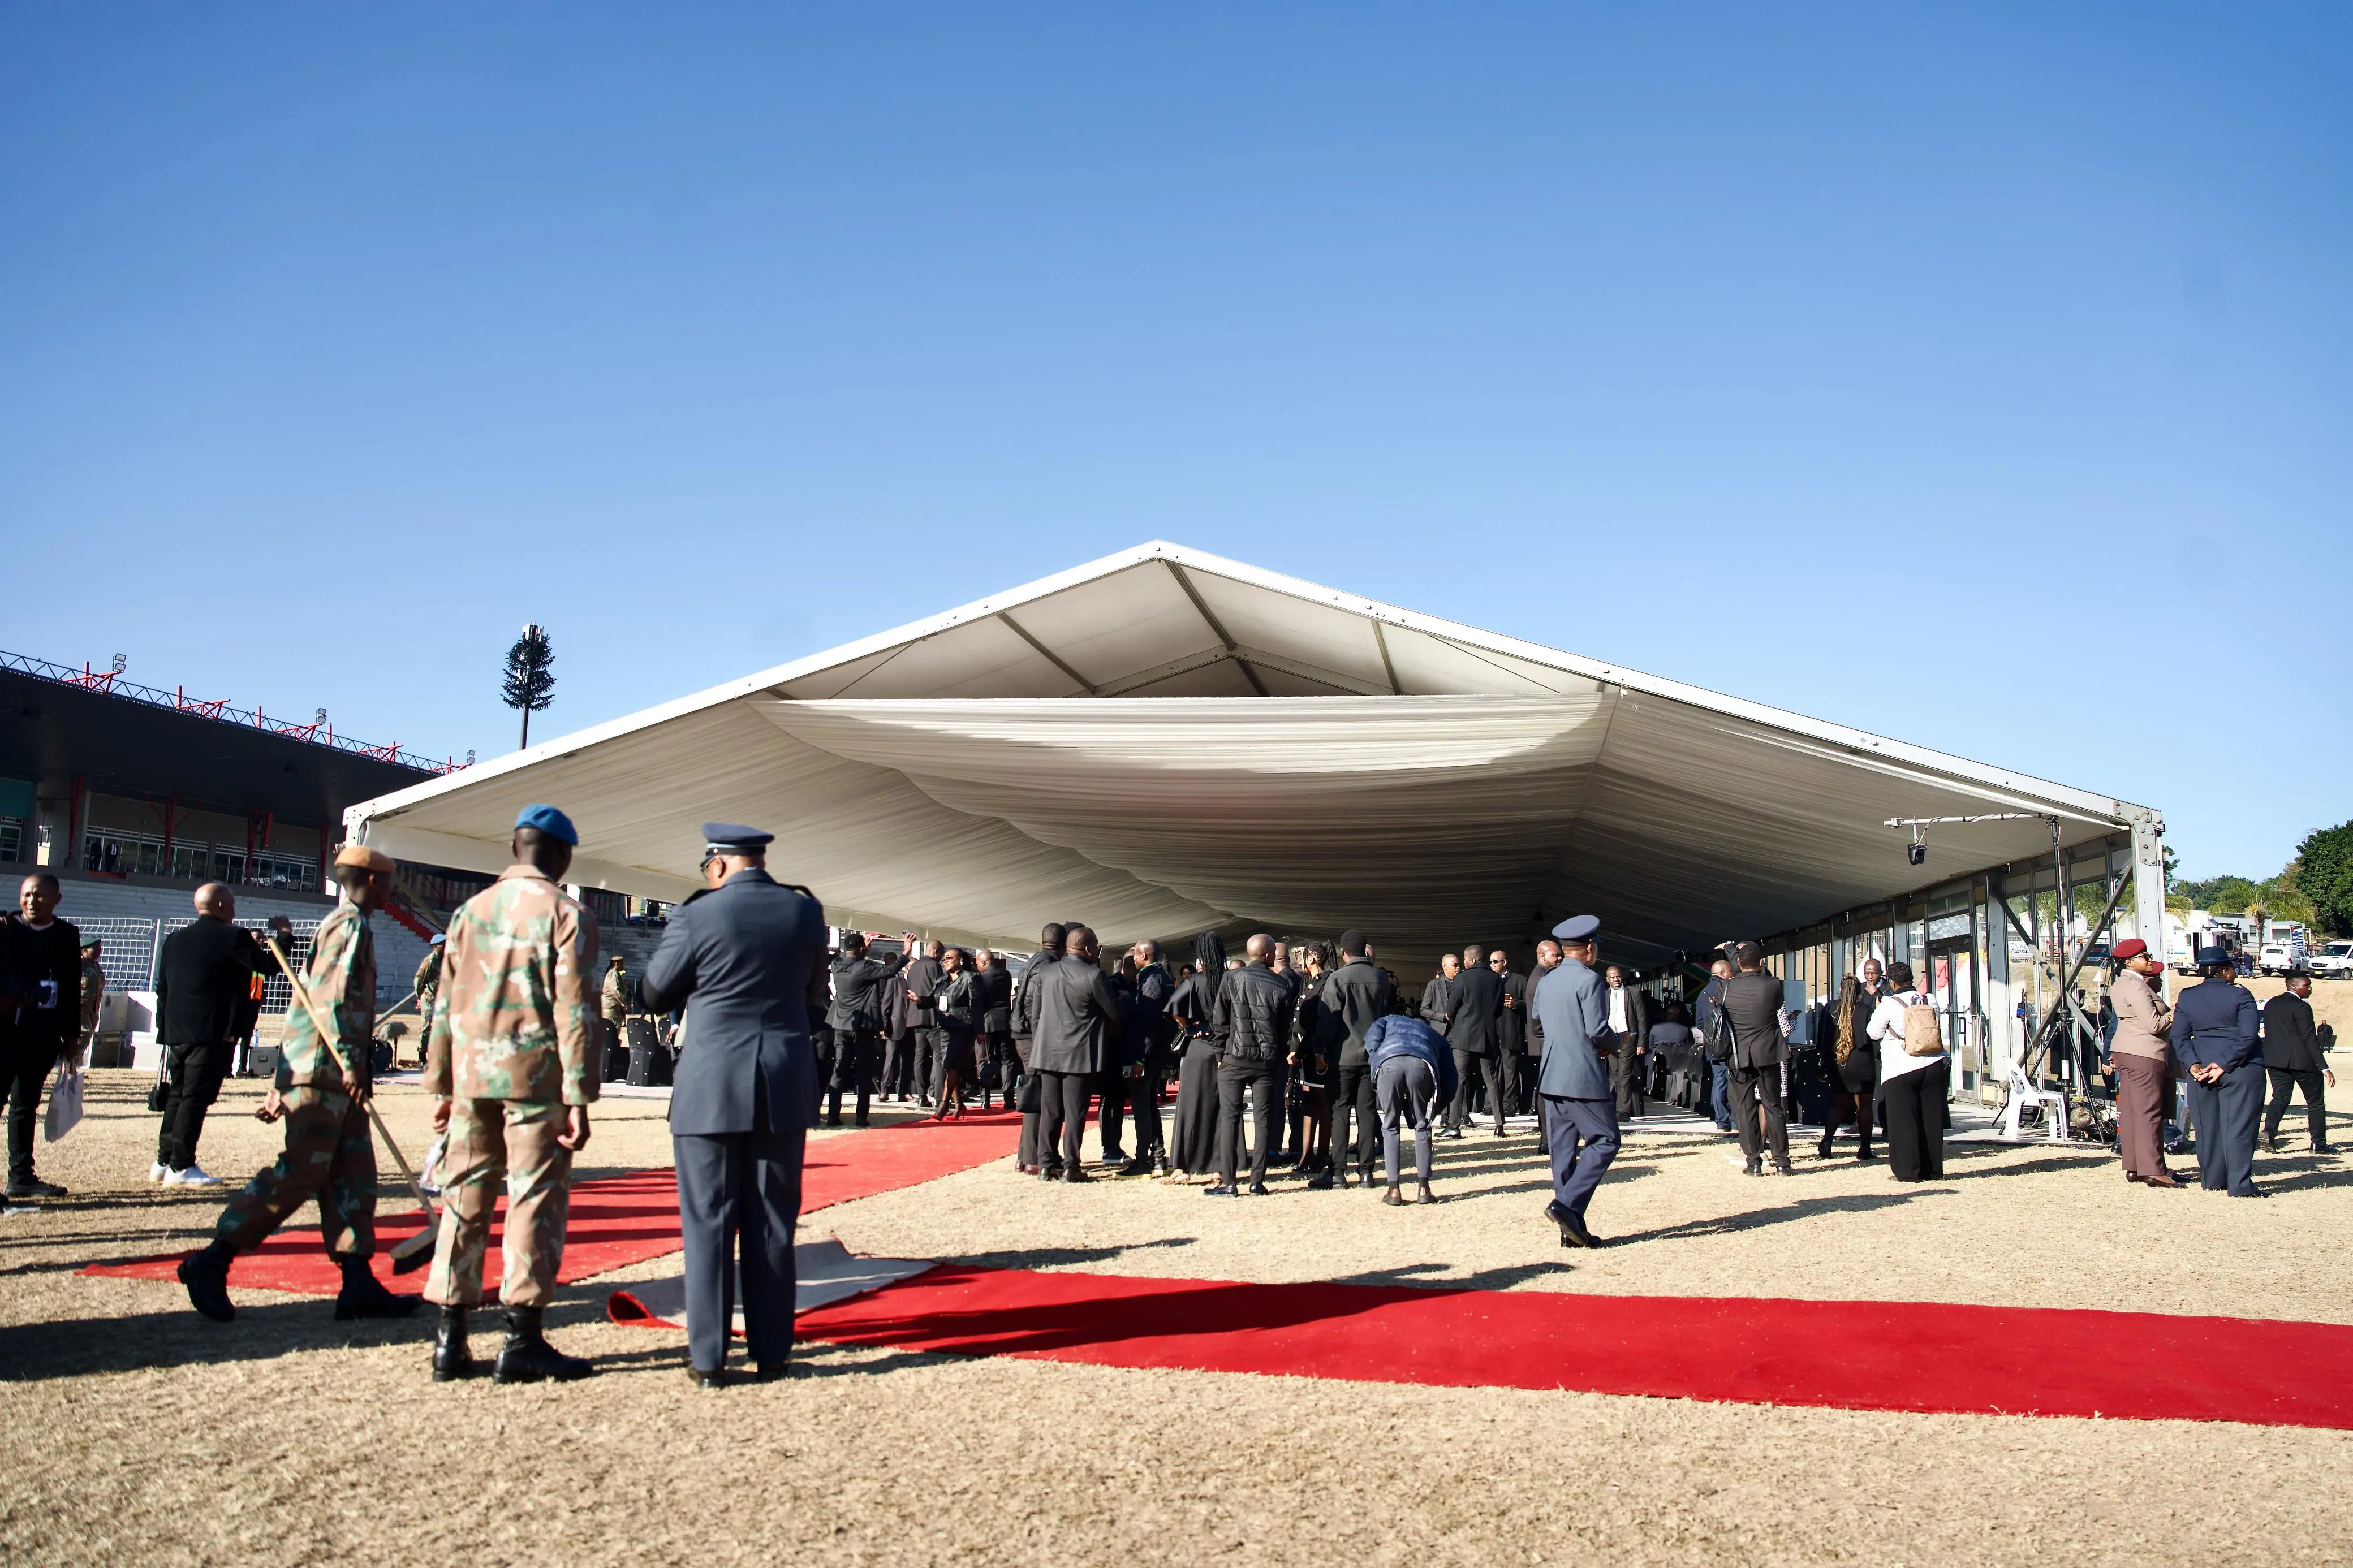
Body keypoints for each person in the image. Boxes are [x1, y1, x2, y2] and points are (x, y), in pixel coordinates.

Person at [175, 847, 417, 1325]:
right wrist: (347, 1063)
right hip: (327, 1069)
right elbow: (330, 1001)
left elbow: (307, 1005)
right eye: (389, 881)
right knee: (303, 1170)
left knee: (352, 1173)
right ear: (372, 880)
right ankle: (213, 1259)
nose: (392, 890)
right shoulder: (349, 926)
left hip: (332, 1068)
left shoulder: (350, 925)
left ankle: (357, 1280)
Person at [642, 822, 830, 1387]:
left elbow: (654, 991)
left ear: (719, 864)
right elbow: (814, 997)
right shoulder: (804, 911)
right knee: (773, 1221)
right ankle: (773, 1353)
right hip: (782, 1077)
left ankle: (708, 1359)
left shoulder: (698, 913)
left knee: (709, 1221)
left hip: (710, 1081)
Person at [420, 805, 602, 1385]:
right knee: (533, 1200)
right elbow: (575, 1010)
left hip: (471, 1077)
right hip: (535, 1080)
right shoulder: (567, 914)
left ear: (514, 847)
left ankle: (450, 1339)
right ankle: (521, 1338)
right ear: (563, 856)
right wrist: (579, 1094)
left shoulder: (469, 912)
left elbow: (445, 1002)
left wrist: (441, 1083)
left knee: (463, 1198)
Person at [152, 883, 270, 1186]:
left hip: (178, 1030)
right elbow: (266, 967)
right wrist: (283, 937)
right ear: (220, 906)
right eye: (232, 905)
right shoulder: (234, 937)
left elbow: (163, 989)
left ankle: (164, 1160)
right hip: (212, 1030)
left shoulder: (174, 940)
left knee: (178, 1093)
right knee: (196, 1097)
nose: (234, 911)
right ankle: (182, 1166)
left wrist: (163, 1028)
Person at [1529, 917, 1618, 1247]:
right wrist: (1615, 1044)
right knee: (1606, 1140)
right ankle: (1566, 1206)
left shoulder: (1547, 980)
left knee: (1563, 1152)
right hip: (1582, 1074)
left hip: (1552, 1074)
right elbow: (1596, 1029)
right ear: (1590, 948)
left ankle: (1570, 1230)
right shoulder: (1590, 980)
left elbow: (1537, 1025)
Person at [2, 872, 83, 1200]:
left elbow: (72, 987)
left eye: (39, 895)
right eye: (27, 895)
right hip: (4, 1031)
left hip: (42, 1034)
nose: (32, 901)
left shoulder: (66, 935)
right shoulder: (5, 928)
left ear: (56, 900)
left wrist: (72, 1036)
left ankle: (21, 1176)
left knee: (25, 1105)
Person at [1026, 925, 1124, 1182]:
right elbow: (1115, 1013)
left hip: (1047, 1052)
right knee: (1075, 1113)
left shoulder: (1046, 972)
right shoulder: (1095, 976)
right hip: (1080, 1055)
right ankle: (1071, 1166)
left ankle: (1046, 1164)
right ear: (1089, 948)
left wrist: (1039, 1044)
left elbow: (1036, 1014)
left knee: (1050, 1111)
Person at [2172, 944, 2265, 1197]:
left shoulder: (2187, 996)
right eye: (2232, 968)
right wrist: (2223, 1064)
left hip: (2201, 1068)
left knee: (2207, 1127)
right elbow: (2248, 1036)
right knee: (2240, 1127)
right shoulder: (2241, 995)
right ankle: (2239, 1185)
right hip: (2240, 1068)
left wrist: (2192, 1064)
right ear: (2224, 971)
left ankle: (2212, 1180)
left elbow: (2179, 1037)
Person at [1208, 934, 1296, 1196]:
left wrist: (1220, 1054)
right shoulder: (1281, 985)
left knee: (1230, 1119)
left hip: (1234, 1057)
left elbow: (1220, 1020)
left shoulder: (1231, 978)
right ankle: (1257, 1182)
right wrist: (1278, 1056)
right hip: (1266, 1062)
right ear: (1269, 956)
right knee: (1263, 1120)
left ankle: (1229, 1182)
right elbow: (1284, 1029)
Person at [1314, 930, 1395, 1189]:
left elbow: (1328, 1020)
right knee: (1367, 1112)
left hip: (1342, 1056)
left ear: (1343, 953)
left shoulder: (1338, 978)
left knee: (1340, 1112)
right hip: (1372, 1055)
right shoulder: (1381, 978)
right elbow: (1388, 1016)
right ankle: (1366, 1172)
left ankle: (1338, 1172)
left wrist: (1320, 1050)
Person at [2106, 938, 2180, 1186]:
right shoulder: (2137, 985)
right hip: (2144, 1052)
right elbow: (2154, 1025)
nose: (2149, 960)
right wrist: (2174, 1013)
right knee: (2148, 1111)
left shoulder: (2120, 984)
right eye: (2145, 957)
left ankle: (2135, 1166)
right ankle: (2153, 1169)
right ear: (2129, 962)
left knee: (2131, 1112)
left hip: (2125, 1050)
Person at [1363, 1010, 1457, 1204]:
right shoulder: (1435, 1035)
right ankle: (1424, 1189)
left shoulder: (1388, 1019)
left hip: (1389, 1062)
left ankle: (1394, 1190)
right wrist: (1435, 1110)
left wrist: (1376, 1060)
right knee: (1423, 1125)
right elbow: (1451, 1081)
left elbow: (1371, 1037)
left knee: (1390, 1126)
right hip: (1422, 1064)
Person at [1865, 961, 1947, 1183]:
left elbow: (1873, 1033)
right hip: (1933, 1064)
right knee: (1931, 1121)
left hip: (1900, 1067)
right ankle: (1933, 1171)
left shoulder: (1889, 1004)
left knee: (1903, 1122)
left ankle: (1908, 1172)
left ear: (1892, 982)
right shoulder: (1929, 999)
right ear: (1911, 979)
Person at [1716, 943, 1790, 1176]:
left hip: (1739, 1055)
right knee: (1773, 1107)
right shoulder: (1774, 985)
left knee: (1745, 1109)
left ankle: (1754, 1162)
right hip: (1768, 1053)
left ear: (1738, 964)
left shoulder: (1725, 988)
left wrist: (1731, 951)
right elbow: (1776, 1007)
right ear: (1762, 963)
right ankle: (1782, 1162)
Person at [825, 931, 910, 1127]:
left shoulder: (837, 965)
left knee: (839, 1068)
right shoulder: (866, 967)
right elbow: (890, 970)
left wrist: (864, 950)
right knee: (864, 1071)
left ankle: (832, 1116)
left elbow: (851, 959)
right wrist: (906, 952)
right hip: (863, 1026)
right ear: (862, 949)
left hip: (841, 1024)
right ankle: (861, 1116)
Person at [1165, 932, 1226, 1181]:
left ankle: (1184, 1168)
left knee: (1190, 1107)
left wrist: (1188, 1027)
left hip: (1198, 1048)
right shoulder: (1229, 980)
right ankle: (1219, 1168)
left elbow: (1172, 1007)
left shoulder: (1194, 981)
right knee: (1222, 1108)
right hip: (1224, 1049)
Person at [1012, 925, 1065, 1174]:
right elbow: (1035, 1006)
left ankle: (1025, 1156)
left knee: (1036, 1092)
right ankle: (1034, 1158)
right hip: (1033, 1036)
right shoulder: (1048, 966)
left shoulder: (1034, 961)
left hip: (1024, 1033)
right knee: (1039, 1095)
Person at [2262, 970, 2333, 1154]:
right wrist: (2324, 1067)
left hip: (2275, 1060)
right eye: (2307, 985)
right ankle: (2318, 1143)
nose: (2310, 989)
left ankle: (2269, 1131)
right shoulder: (2302, 1007)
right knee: (2315, 1102)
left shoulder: (2271, 1004)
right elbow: (2309, 1038)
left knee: (2280, 1098)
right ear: (2294, 986)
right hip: (2302, 1062)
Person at [1121, 940, 1175, 1174]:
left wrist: (1139, 1059)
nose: (1132, 959)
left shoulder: (1151, 979)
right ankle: (1158, 1157)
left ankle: (1143, 1160)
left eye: (1135, 954)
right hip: (1156, 1053)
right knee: (1150, 1106)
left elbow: (1149, 1022)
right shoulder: (1161, 976)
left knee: (1142, 1108)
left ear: (1144, 955)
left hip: (1147, 1054)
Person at [1816, 971, 1879, 1161]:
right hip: (1862, 1062)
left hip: (1838, 1062)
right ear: (1859, 992)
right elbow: (1874, 1040)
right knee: (1864, 1106)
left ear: (1840, 990)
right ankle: (1865, 1148)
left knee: (1839, 1103)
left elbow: (1822, 1037)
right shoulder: (1865, 1010)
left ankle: (1827, 1140)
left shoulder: (1831, 1008)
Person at [1445, 941, 1505, 1138]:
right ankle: (1499, 1125)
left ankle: (1453, 1126)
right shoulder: (1496, 979)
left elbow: (1451, 1009)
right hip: (1487, 1034)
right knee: (1492, 1080)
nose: (1463, 962)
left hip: (1464, 1035)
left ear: (1472, 960)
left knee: (1459, 1079)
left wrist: (1458, 1024)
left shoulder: (1462, 978)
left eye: (1464, 959)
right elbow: (1499, 1009)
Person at [932, 946, 980, 1120]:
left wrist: (980, 1031)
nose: (945, 961)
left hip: (963, 1027)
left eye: (949, 958)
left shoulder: (971, 978)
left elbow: (977, 1006)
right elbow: (931, 999)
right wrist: (918, 1000)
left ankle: (944, 1104)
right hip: (945, 1027)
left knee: (952, 1065)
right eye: (944, 958)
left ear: (960, 960)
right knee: (949, 1067)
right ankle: (959, 1105)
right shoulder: (942, 980)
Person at [1603, 965, 1654, 1120]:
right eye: (1612, 977)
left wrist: (1642, 1042)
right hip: (1610, 1038)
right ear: (1608, 980)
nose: (1616, 980)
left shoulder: (1633, 993)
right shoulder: (1604, 995)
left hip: (1627, 1037)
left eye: (1618, 976)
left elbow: (1642, 1019)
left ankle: (1623, 1111)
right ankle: (1619, 1106)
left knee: (1624, 1074)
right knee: (1616, 1074)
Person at [1693, 954, 1737, 1133]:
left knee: (1719, 1081)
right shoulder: (1726, 990)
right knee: (1733, 1082)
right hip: (1730, 1045)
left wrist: (1711, 1036)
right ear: (1723, 973)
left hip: (1712, 1046)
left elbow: (1699, 1022)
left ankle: (1722, 1121)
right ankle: (1734, 1120)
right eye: (1731, 971)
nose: (1733, 974)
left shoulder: (1702, 994)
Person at [1525, 940, 1561, 1154]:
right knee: (1546, 1094)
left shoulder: (1543, 976)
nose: (1560, 958)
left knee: (1545, 1092)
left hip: (1543, 1041)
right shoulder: (1541, 979)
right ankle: (1547, 1140)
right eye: (1556, 955)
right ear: (1543, 955)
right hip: (1545, 1041)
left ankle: (1548, 1139)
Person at [975, 945, 1016, 1113]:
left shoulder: (982, 979)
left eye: (978, 964)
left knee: (984, 1060)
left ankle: (985, 1099)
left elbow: (978, 1002)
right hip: (1006, 1021)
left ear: (984, 962)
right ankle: (1009, 1099)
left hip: (987, 1023)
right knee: (1008, 1061)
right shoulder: (1006, 975)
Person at [1492, 951, 1526, 1122]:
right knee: (1493, 1070)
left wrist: (1515, 1004)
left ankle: (1510, 1105)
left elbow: (1531, 1006)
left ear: (1505, 962)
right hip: (1493, 1032)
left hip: (1510, 1031)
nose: (1492, 965)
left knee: (1510, 1070)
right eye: (1491, 962)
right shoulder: (1489, 980)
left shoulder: (1520, 980)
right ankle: (1493, 1103)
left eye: (1495, 961)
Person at [600, 954, 630, 1072]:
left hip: (612, 1007)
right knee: (612, 1033)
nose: (623, 965)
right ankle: (610, 1063)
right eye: (622, 963)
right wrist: (625, 1002)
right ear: (617, 963)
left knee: (611, 1034)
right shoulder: (614, 974)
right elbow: (616, 991)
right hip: (611, 1008)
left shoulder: (613, 974)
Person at [76, 937, 104, 1065]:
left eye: (100, 947)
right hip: (79, 1008)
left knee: (87, 1037)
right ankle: (69, 1063)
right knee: (84, 1034)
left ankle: (72, 1065)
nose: (100, 950)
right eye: (96, 948)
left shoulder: (96, 966)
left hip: (93, 1009)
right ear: (85, 950)